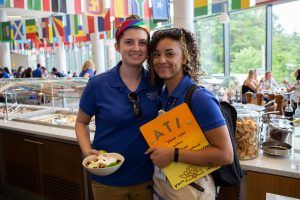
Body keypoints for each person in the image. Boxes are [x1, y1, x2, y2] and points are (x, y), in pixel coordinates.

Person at [75, 15, 160, 200]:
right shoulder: (98, 84)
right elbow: (81, 122)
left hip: (148, 178)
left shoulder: (156, 83)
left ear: (148, 48)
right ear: (117, 46)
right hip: (107, 180)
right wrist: (86, 150)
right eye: (129, 42)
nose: (136, 48)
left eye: (142, 43)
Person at [146, 28, 233, 200]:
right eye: (156, 54)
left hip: (193, 193)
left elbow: (225, 154)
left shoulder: (199, 98)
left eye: (170, 54)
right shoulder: (164, 94)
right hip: (163, 190)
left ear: (185, 58)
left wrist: (173, 154)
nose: (161, 60)